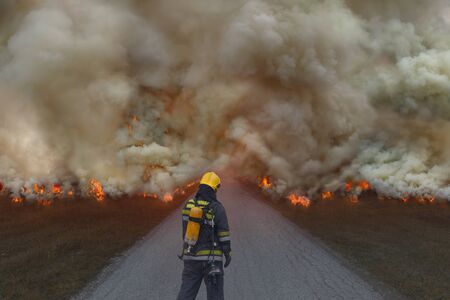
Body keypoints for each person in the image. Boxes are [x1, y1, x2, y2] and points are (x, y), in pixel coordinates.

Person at [177, 172, 231, 300]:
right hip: (212, 261)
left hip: (191, 258)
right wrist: (228, 253)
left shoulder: (188, 205)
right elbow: (224, 234)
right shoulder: (217, 208)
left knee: (186, 293)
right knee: (215, 296)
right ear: (214, 189)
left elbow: (185, 231)